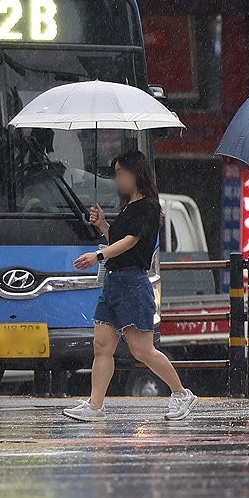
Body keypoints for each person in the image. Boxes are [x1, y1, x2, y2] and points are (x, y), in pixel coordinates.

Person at [63, 151, 198, 423]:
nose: (118, 179)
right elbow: (117, 238)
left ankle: (181, 393)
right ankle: (96, 405)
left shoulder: (148, 206)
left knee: (141, 349)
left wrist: (98, 255)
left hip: (133, 283)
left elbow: (130, 242)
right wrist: (103, 224)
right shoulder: (128, 207)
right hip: (114, 283)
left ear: (136, 173)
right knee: (102, 346)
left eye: (121, 172)